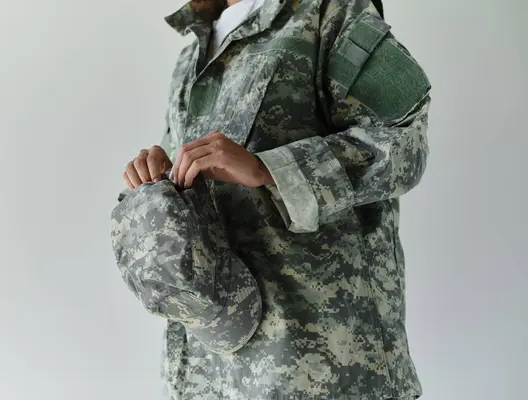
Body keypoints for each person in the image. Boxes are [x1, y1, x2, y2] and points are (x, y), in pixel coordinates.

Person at [121, 0, 431, 399]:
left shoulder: (329, 14)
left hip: (320, 366)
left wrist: (269, 169)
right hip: (207, 369)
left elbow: (404, 141)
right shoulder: (192, 54)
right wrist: (156, 181)